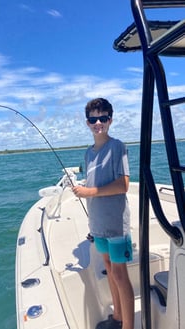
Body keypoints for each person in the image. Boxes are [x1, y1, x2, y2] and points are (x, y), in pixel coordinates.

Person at [72, 98, 134, 329]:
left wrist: (88, 191)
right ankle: (117, 316)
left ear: (110, 119)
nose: (98, 122)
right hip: (97, 223)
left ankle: (129, 326)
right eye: (93, 119)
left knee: (119, 274)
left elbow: (123, 185)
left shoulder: (117, 146)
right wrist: (83, 189)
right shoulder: (88, 153)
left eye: (103, 117)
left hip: (115, 223)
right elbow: (94, 183)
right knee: (108, 269)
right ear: (87, 123)